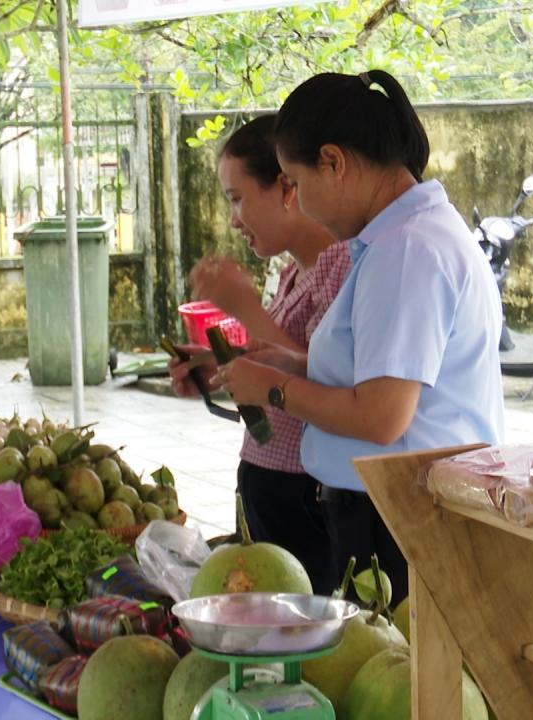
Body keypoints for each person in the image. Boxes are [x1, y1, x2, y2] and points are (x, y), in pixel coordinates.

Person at [215, 71, 506, 606]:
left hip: (403, 518)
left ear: (334, 162)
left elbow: (380, 417)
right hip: (393, 509)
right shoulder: (403, 238)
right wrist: (290, 365)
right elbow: (379, 374)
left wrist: (275, 391)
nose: (298, 204)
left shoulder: (407, 252)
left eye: (297, 184)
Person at [170, 115, 347, 594]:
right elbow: (285, 358)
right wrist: (218, 362)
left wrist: (244, 308)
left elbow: (334, 381)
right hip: (271, 491)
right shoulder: (295, 270)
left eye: (237, 197)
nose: (233, 219)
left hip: (306, 501)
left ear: (287, 187)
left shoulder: (341, 265)